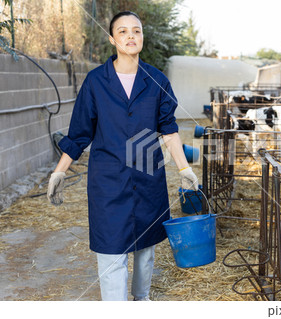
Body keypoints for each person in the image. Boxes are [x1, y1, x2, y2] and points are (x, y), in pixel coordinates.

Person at [47, 11, 198, 301]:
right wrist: (60, 171)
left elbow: (168, 130)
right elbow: (80, 133)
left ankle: (141, 299)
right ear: (112, 39)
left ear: (142, 36)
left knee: (145, 248)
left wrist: (184, 170)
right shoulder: (96, 82)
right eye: (123, 32)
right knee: (111, 249)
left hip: (148, 175)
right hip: (108, 180)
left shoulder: (157, 80)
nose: (131, 36)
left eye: (137, 31)